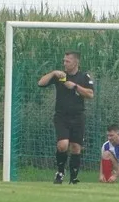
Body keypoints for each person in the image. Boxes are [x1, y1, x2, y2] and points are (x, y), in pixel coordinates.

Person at [37, 51, 95, 184]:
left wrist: (75, 86)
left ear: (76, 62)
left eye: (67, 61)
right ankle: (60, 172)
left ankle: (73, 178)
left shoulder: (84, 76)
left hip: (78, 116)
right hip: (62, 116)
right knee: (63, 145)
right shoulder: (60, 76)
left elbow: (90, 94)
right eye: (64, 61)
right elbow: (40, 83)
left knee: (76, 147)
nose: (64, 63)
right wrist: (53, 73)